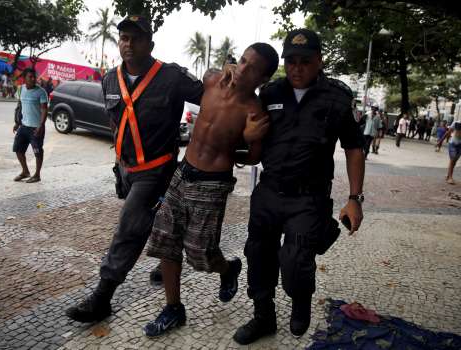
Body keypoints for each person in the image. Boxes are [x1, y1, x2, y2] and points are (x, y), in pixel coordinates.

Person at [65, 15, 204, 323]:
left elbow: (213, 101)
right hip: (128, 169)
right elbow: (117, 125)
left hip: (157, 169)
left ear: (150, 44)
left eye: (136, 38)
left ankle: (103, 296)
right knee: (155, 219)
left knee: (129, 228)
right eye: (124, 38)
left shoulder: (172, 77)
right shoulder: (110, 79)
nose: (128, 44)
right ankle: (168, 258)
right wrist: (118, 166)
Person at [232, 29, 365, 345]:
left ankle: (301, 300)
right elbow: (245, 133)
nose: (297, 68)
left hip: (309, 197)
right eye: (291, 61)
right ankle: (263, 317)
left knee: (295, 262)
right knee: (259, 256)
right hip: (268, 192)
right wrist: (244, 137)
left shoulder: (337, 98)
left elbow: (354, 147)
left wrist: (354, 198)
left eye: (305, 61)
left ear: (319, 61)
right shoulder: (271, 93)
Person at [142, 43, 278, 337]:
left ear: (263, 79)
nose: (243, 69)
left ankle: (228, 269)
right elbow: (206, 73)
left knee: (199, 253)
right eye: (242, 61)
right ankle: (173, 308)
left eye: (252, 68)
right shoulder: (214, 80)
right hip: (183, 170)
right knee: (166, 240)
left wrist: (239, 142)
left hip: (213, 182)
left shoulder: (254, 111)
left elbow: (254, 157)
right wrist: (220, 69)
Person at [12, 68, 48, 183]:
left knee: (38, 152)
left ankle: (37, 175)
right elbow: (20, 106)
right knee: (18, 149)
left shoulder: (41, 92)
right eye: (30, 77)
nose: (33, 79)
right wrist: (17, 122)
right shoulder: (20, 89)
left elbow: (44, 110)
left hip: (35, 127)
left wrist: (40, 126)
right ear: (24, 78)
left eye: (34, 77)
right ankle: (25, 171)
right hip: (23, 126)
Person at [437, 120, 461, 184]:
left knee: (454, 161)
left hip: (460, 146)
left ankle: (448, 175)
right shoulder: (456, 123)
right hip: (453, 144)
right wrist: (440, 141)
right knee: (452, 160)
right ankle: (450, 177)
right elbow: (448, 132)